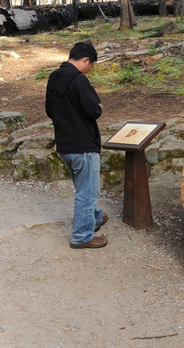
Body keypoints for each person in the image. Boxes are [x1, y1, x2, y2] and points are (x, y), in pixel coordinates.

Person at [45, 41, 108, 249]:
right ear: (85, 60)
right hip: (83, 145)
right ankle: (82, 236)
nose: (90, 70)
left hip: (65, 144)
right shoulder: (79, 80)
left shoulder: (54, 78)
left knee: (83, 188)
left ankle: (95, 217)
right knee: (87, 193)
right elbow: (93, 110)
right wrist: (98, 107)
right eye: (92, 65)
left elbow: (49, 110)